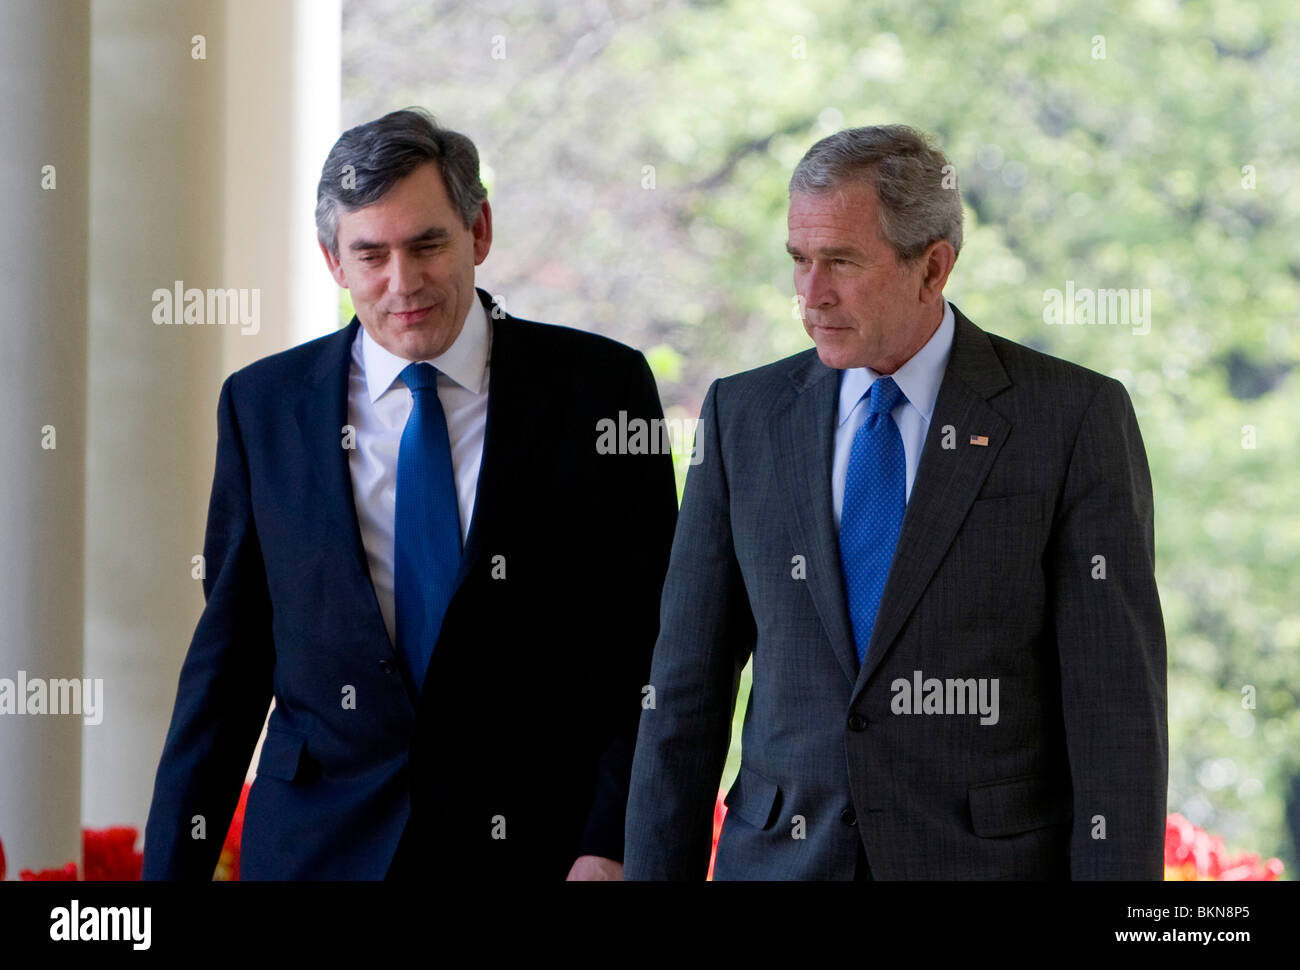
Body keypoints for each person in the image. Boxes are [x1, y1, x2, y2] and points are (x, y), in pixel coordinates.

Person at [143, 108, 677, 880]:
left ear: (479, 231)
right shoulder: (265, 406)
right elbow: (228, 667)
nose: (404, 283)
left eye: (427, 244)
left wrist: (610, 842)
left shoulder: (601, 391)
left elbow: (650, 643)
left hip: (534, 847)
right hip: (319, 850)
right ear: (334, 261)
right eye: (372, 254)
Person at [624, 125, 1167, 880]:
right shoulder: (741, 417)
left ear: (933, 267)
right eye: (800, 262)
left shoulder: (1071, 419)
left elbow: (1117, 716)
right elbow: (684, 692)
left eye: (842, 262)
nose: (811, 295)